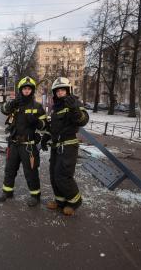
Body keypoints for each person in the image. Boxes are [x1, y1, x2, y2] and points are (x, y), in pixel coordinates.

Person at [41, 77, 89, 216]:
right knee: (53, 175)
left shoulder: (75, 103)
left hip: (68, 146)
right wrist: (46, 137)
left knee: (63, 176)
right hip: (56, 146)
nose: (60, 93)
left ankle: (74, 202)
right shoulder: (55, 108)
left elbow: (83, 120)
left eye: (63, 90)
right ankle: (60, 201)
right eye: (58, 91)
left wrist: (74, 109)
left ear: (68, 90)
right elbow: (54, 127)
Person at [0, 76, 47, 207]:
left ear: (32, 90)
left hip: (28, 146)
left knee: (31, 171)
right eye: (24, 89)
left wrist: (37, 122)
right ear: (21, 90)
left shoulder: (37, 106)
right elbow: (3, 110)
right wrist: (11, 104)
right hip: (14, 144)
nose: (26, 91)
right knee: (10, 169)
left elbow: (44, 125)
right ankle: (7, 192)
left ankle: (35, 195)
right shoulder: (15, 104)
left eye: (29, 89)